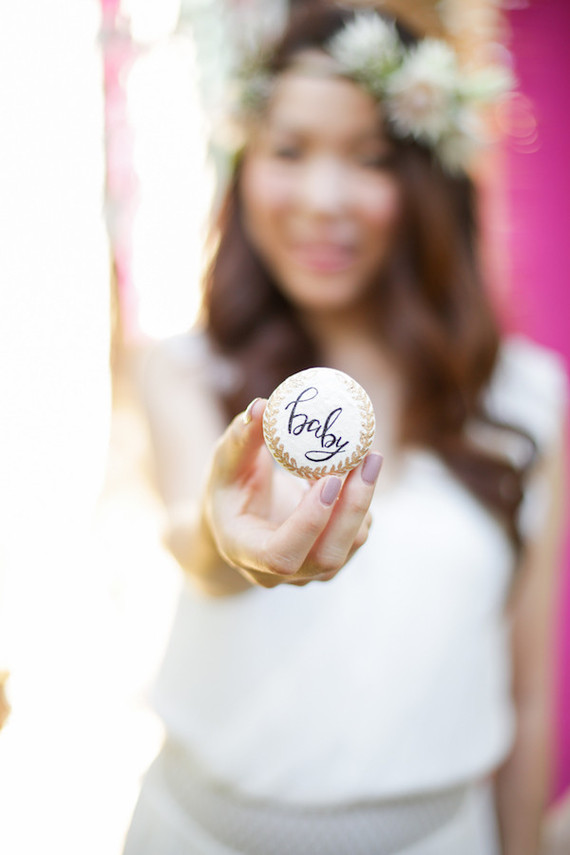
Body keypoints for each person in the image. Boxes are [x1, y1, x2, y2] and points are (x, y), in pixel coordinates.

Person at [122, 4, 567, 853]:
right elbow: (191, 533)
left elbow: (529, 695)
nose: (322, 200)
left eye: (369, 158)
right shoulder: (186, 370)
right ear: (245, 163)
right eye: (289, 150)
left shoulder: (527, 398)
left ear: (429, 179)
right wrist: (226, 538)